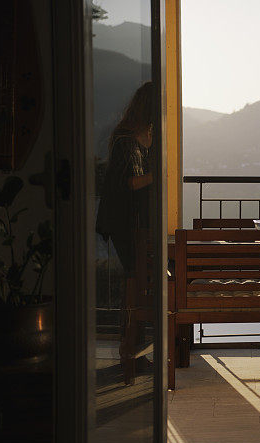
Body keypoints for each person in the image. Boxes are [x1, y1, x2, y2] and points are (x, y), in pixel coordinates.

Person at [96, 81, 155, 384]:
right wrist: (158, 175)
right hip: (122, 221)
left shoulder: (147, 135)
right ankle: (128, 352)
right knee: (135, 281)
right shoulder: (126, 138)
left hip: (138, 222)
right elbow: (131, 183)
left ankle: (133, 352)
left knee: (138, 283)